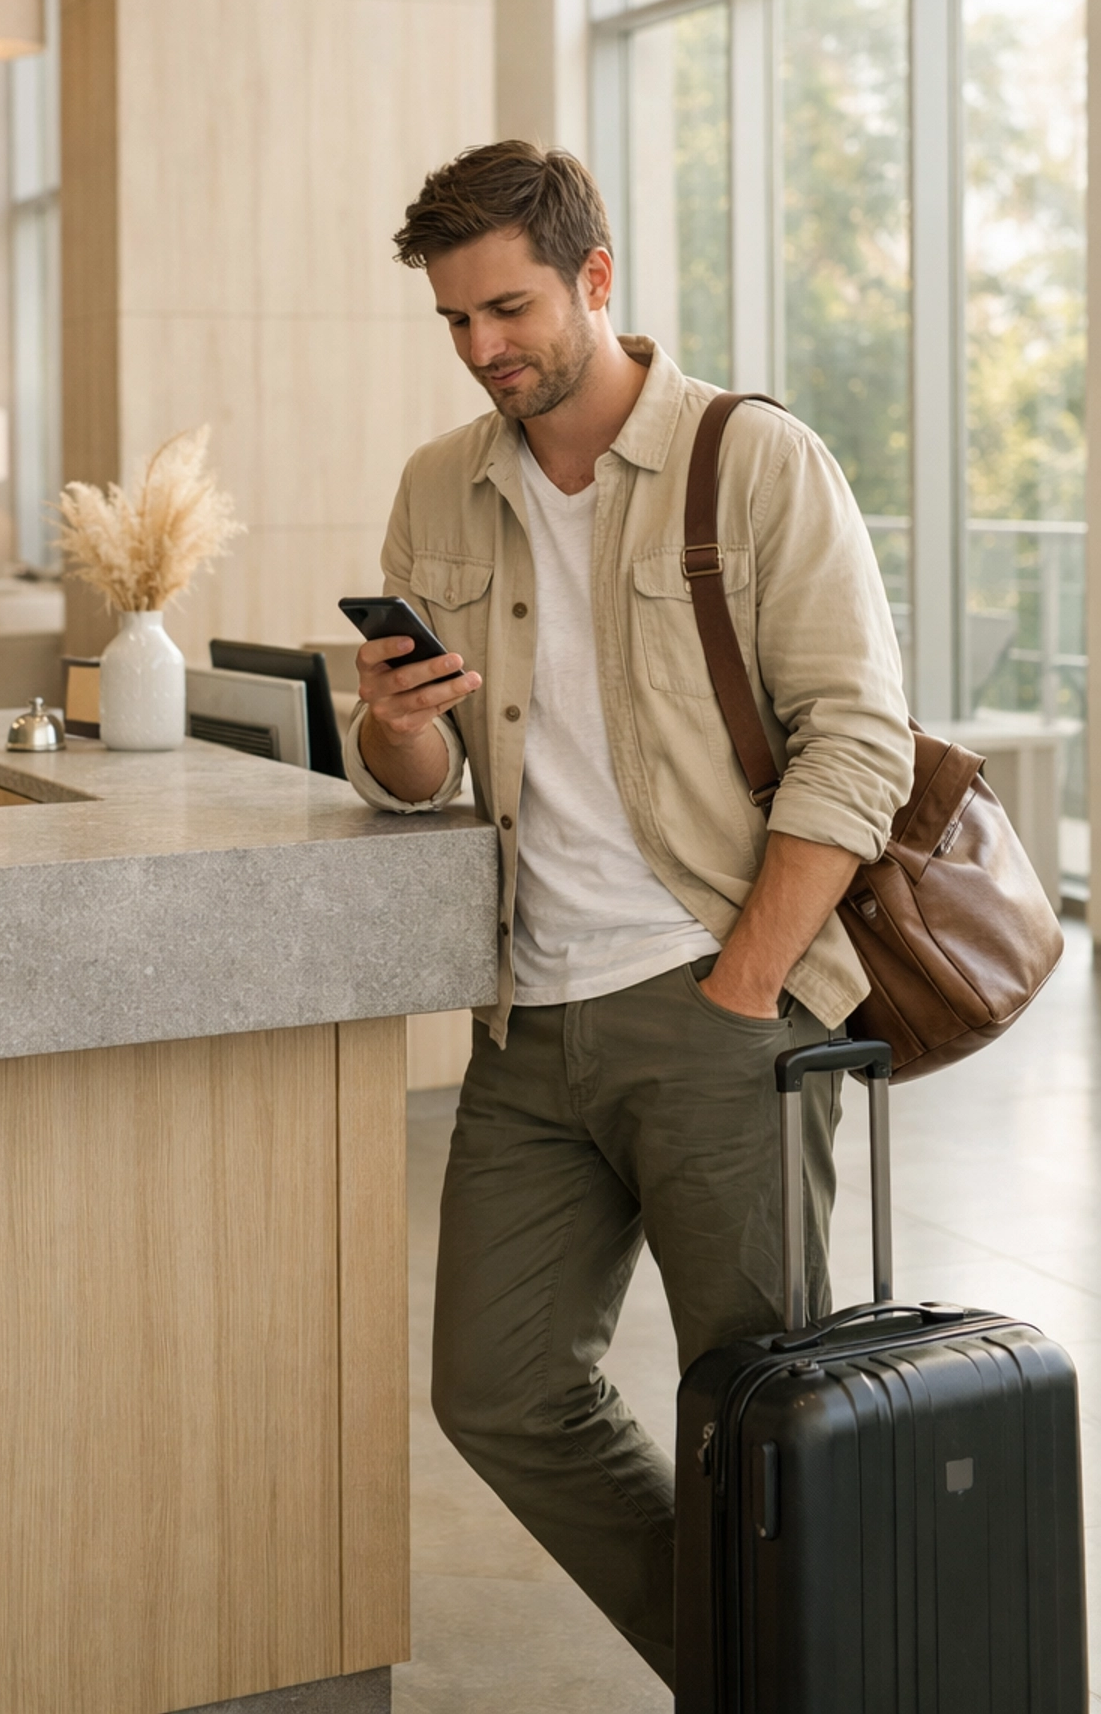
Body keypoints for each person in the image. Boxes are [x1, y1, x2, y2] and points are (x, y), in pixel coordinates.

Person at [343, 139, 913, 1686]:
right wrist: (396, 718)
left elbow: (859, 742)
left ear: (597, 279)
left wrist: (748, 984)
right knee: (499, 1389)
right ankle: (755, 1673)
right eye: (456, 321)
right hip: (529, 1026)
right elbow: (411, 779)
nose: (483, 349)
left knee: (764, 1430)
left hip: (718, 1004)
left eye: (509, 309)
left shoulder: (756, 462)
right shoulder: (436, 488)